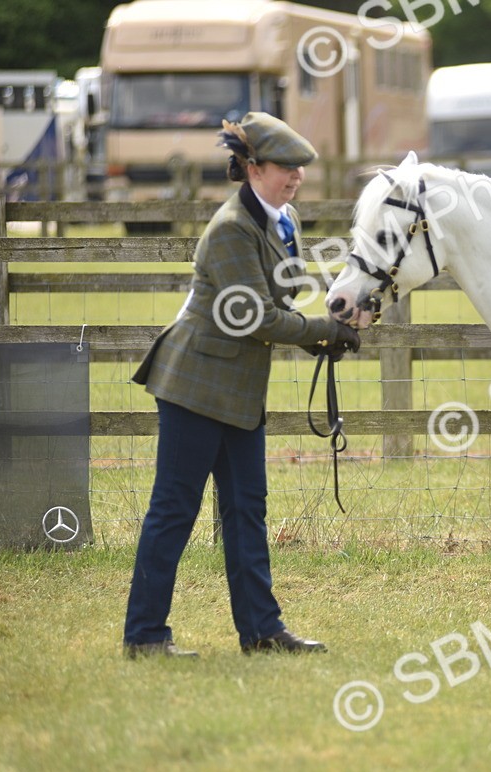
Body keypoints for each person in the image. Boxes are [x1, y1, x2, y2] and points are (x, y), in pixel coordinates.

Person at [123, 112, 360, 658]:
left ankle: (261, 631)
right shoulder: (232, 228)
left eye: (300, 168)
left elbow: (282, 301)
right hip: (195, 385)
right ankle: (145, 635)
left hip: (238, 391)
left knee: (247, 508)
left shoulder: (284, 219)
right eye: (285, 167)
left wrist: (325, 332)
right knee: (174, 510)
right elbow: (254, 317)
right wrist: (323, 332)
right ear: (253, 168)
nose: (296, 176)